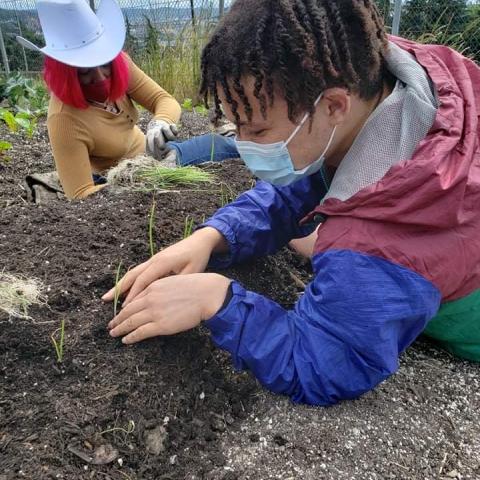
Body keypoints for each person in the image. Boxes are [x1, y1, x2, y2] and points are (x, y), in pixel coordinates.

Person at [103, 0, 480, 406]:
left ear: (335, 105)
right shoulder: (381, 75)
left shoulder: (380, 241)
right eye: (236, 126)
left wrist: (217, 299)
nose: (242, 145)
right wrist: (212, 237)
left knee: (335, 254)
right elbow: (306, 175)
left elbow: (323, 364)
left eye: (258, 129)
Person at [18, 0, 238, 200]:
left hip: (154, 154)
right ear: (65, 74)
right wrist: (133, 181)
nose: (100, 76)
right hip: (117, 180)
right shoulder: (63, 119)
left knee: (222, 146)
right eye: (84, 71)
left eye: (104, 64)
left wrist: (160, 122)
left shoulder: (119, 64)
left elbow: (163, 99)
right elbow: (80, 194)